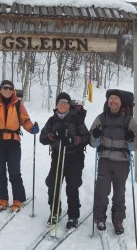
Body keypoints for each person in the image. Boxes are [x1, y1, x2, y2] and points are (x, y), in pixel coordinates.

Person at [0, 80, 39, 212]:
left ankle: (18, 199)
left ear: (13, 91)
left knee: (14, 171)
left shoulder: (17, 104)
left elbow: (25, 119)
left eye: (11, 88)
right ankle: (2, 199)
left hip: (13, 141)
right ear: (0, 89)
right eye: (5, 88)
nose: (8, 90)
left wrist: (31, 127)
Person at [89, 90, 137, 235]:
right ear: (107, 101)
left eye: (116, 99)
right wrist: (95, 136)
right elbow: (92, 142)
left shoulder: (128, 120)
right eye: (111, 99)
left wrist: (131, 139)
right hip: (105, 159)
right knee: (102, 191)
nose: (113, 101)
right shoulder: (101, 118)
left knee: (119, 193)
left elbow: (136, 145)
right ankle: (100, 218)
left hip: (122, 161)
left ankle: (118, 220)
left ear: (121, 102)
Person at [39, 92, 89, 230]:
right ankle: (55, 212)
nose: (63, 105)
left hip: (74, 157)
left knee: (72, 187)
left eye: (65, 102)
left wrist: (74, 140)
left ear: (69, 105)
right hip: (58, 156)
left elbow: (86, 137)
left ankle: (73, 216)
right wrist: (51, 136)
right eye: (60, 102)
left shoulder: (76, 119)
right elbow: (42, 138)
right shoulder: (52, 120)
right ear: (56, 105)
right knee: (53, 184)